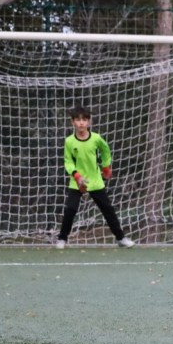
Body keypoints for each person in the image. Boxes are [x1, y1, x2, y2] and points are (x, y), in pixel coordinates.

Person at [55, 105, 135, 249]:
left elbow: (106, 151)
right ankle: (62, 239)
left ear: (89, 122)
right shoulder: (69, 141)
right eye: (78, 120)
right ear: (72, 122)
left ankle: (121, 238)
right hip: (77, 181)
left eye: (84, 120)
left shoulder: (96, 138)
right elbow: (68, 161)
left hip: (95, 180)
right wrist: (77, 176)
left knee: (107, 209)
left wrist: (106, 167)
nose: (81, 123)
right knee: (70, 209)